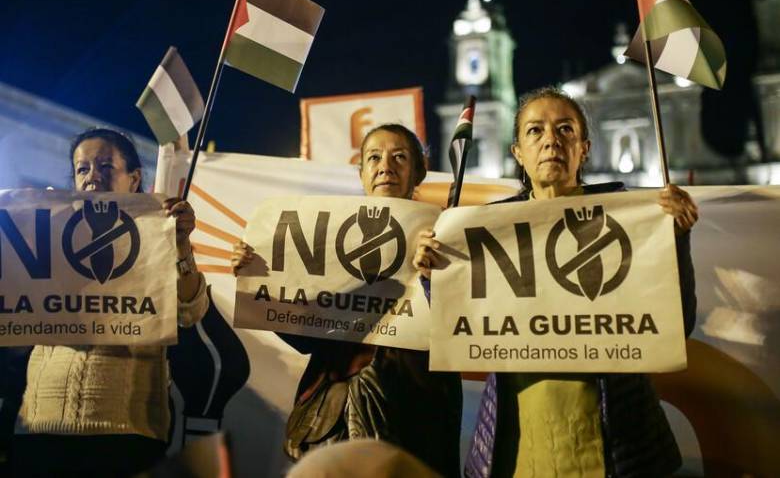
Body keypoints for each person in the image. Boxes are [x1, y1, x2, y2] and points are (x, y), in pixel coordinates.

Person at [415, 87, 698, 478]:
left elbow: (675, 324)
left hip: (618, 449)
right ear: (518, 152)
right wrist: (434, 275)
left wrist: (677, 239)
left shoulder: (632, 219)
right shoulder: (485, 230)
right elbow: (460, 327)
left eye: (565, 129)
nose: (551, 140)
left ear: (584, 148)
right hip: (517, 447)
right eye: (535, 131)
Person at [232, 124, 462, 477]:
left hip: (412, 419)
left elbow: (465, 332)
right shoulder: (326, 239)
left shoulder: (446, 236)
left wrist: (435, 280)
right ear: (362, 173)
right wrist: (257, 283)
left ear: (419, 171)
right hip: (331, 421)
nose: (386, 165)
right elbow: (305, 336)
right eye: (374, 157)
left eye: (399, 157)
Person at [12, 128, 209, 478]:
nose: (93, 177)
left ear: (134, 179)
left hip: (126, 433)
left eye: (105, 166)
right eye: (83, 168)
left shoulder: (159, 232)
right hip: (39, 426)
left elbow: (190, 311)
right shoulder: (47, 233)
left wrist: (180, 246)